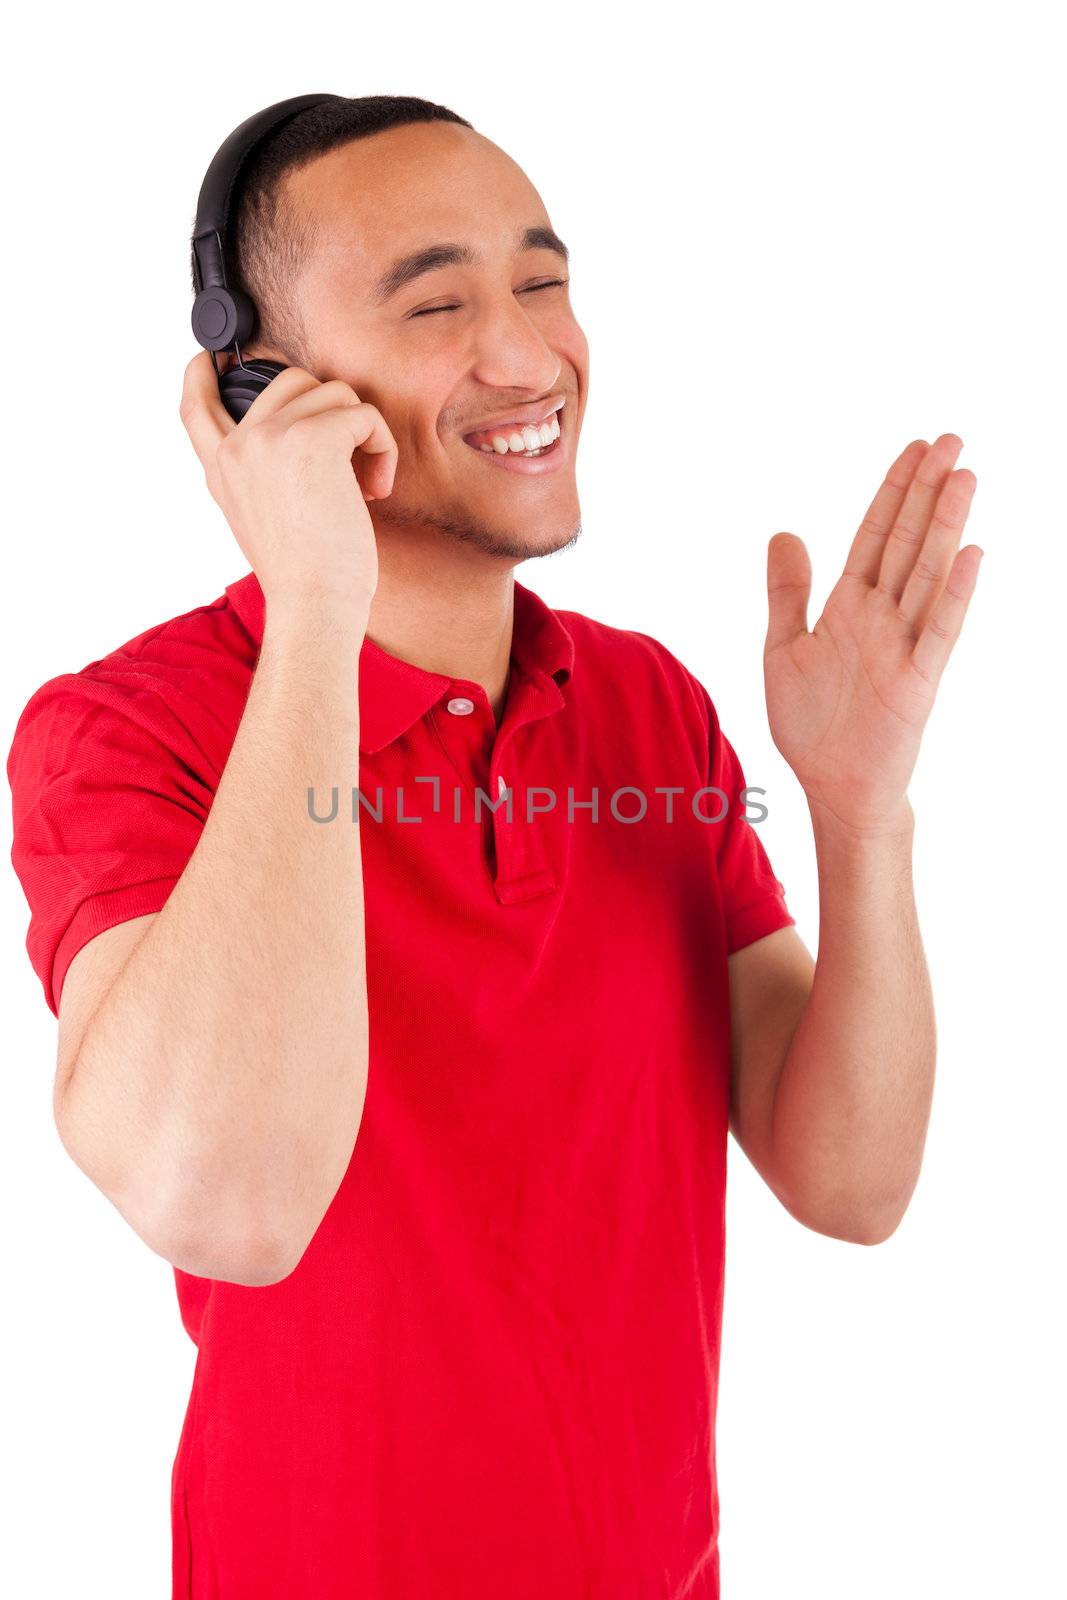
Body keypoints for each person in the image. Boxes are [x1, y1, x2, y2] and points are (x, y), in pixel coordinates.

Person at [5, 94, 982, 1599]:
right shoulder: (128, 734)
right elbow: (235, 1206)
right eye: (439, 304)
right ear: (261, 384)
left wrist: (862, 816)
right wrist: (313, 603)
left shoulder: (648, 710)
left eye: (542, 281)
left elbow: (850, 1182)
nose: (528, 355)